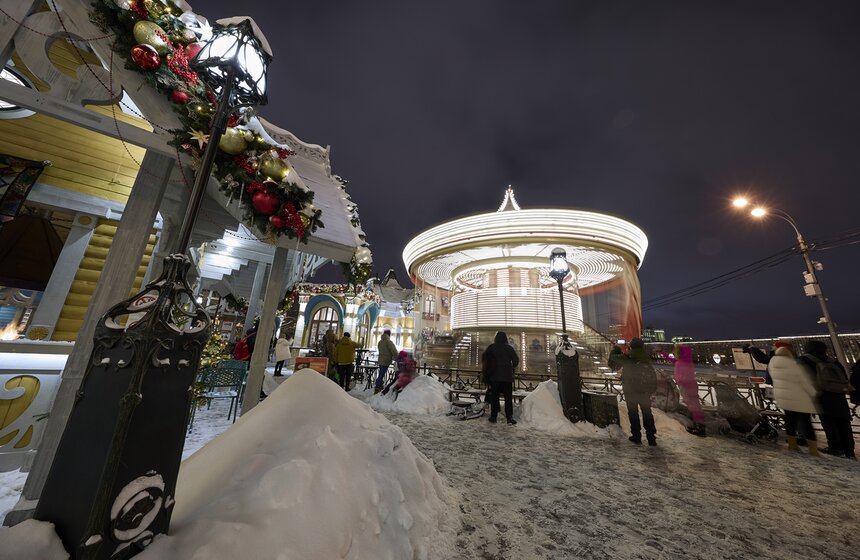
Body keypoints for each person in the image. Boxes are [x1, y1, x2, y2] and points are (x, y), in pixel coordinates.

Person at [800, 340, 855, 459]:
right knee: (843, 421)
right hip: (838, 395)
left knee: (828, 421)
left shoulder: (805, 360)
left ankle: (835, 447)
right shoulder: (833, 361)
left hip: (821, 394)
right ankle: (849, 450)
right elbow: (844, 377)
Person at [767, 341, 819, 456]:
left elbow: (772, 377)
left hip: (783, 396)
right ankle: (813, 450)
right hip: (798, 396)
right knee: (806, 422)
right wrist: (813, 393)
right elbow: (804, 380)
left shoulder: (772, 362)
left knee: (790, 420)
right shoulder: (792, 363)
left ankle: (792, 444)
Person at [609, 338, 658, 446]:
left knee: (633, 413)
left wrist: (616, 348)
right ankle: (651, 438)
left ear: (632, 346)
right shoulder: (645, 357)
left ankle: (636, 436)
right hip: (645, 390)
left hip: (631, 390)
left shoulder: (628, 357)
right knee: (647, 412)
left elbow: (613, 358)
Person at [661, 345, 705, 436]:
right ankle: (698, 424)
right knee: (693, 406)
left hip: (687, 387)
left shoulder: (683, 363)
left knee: (694, 407)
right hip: (688, 386)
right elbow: (672, 360)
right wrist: (662, 353)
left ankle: (700, 427)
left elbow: (683, 376)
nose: (675, 353)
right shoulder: (685, 361)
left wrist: (680, 382)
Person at [482, 331, 519, 425]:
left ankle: (493, 417)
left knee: (494, 397)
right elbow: (516, 361)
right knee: (508, 398)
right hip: (507, 378)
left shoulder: (492, 347)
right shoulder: (509, 348)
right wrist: (510, 366)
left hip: (494, 377)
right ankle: (509, 417)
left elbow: (484, 358)